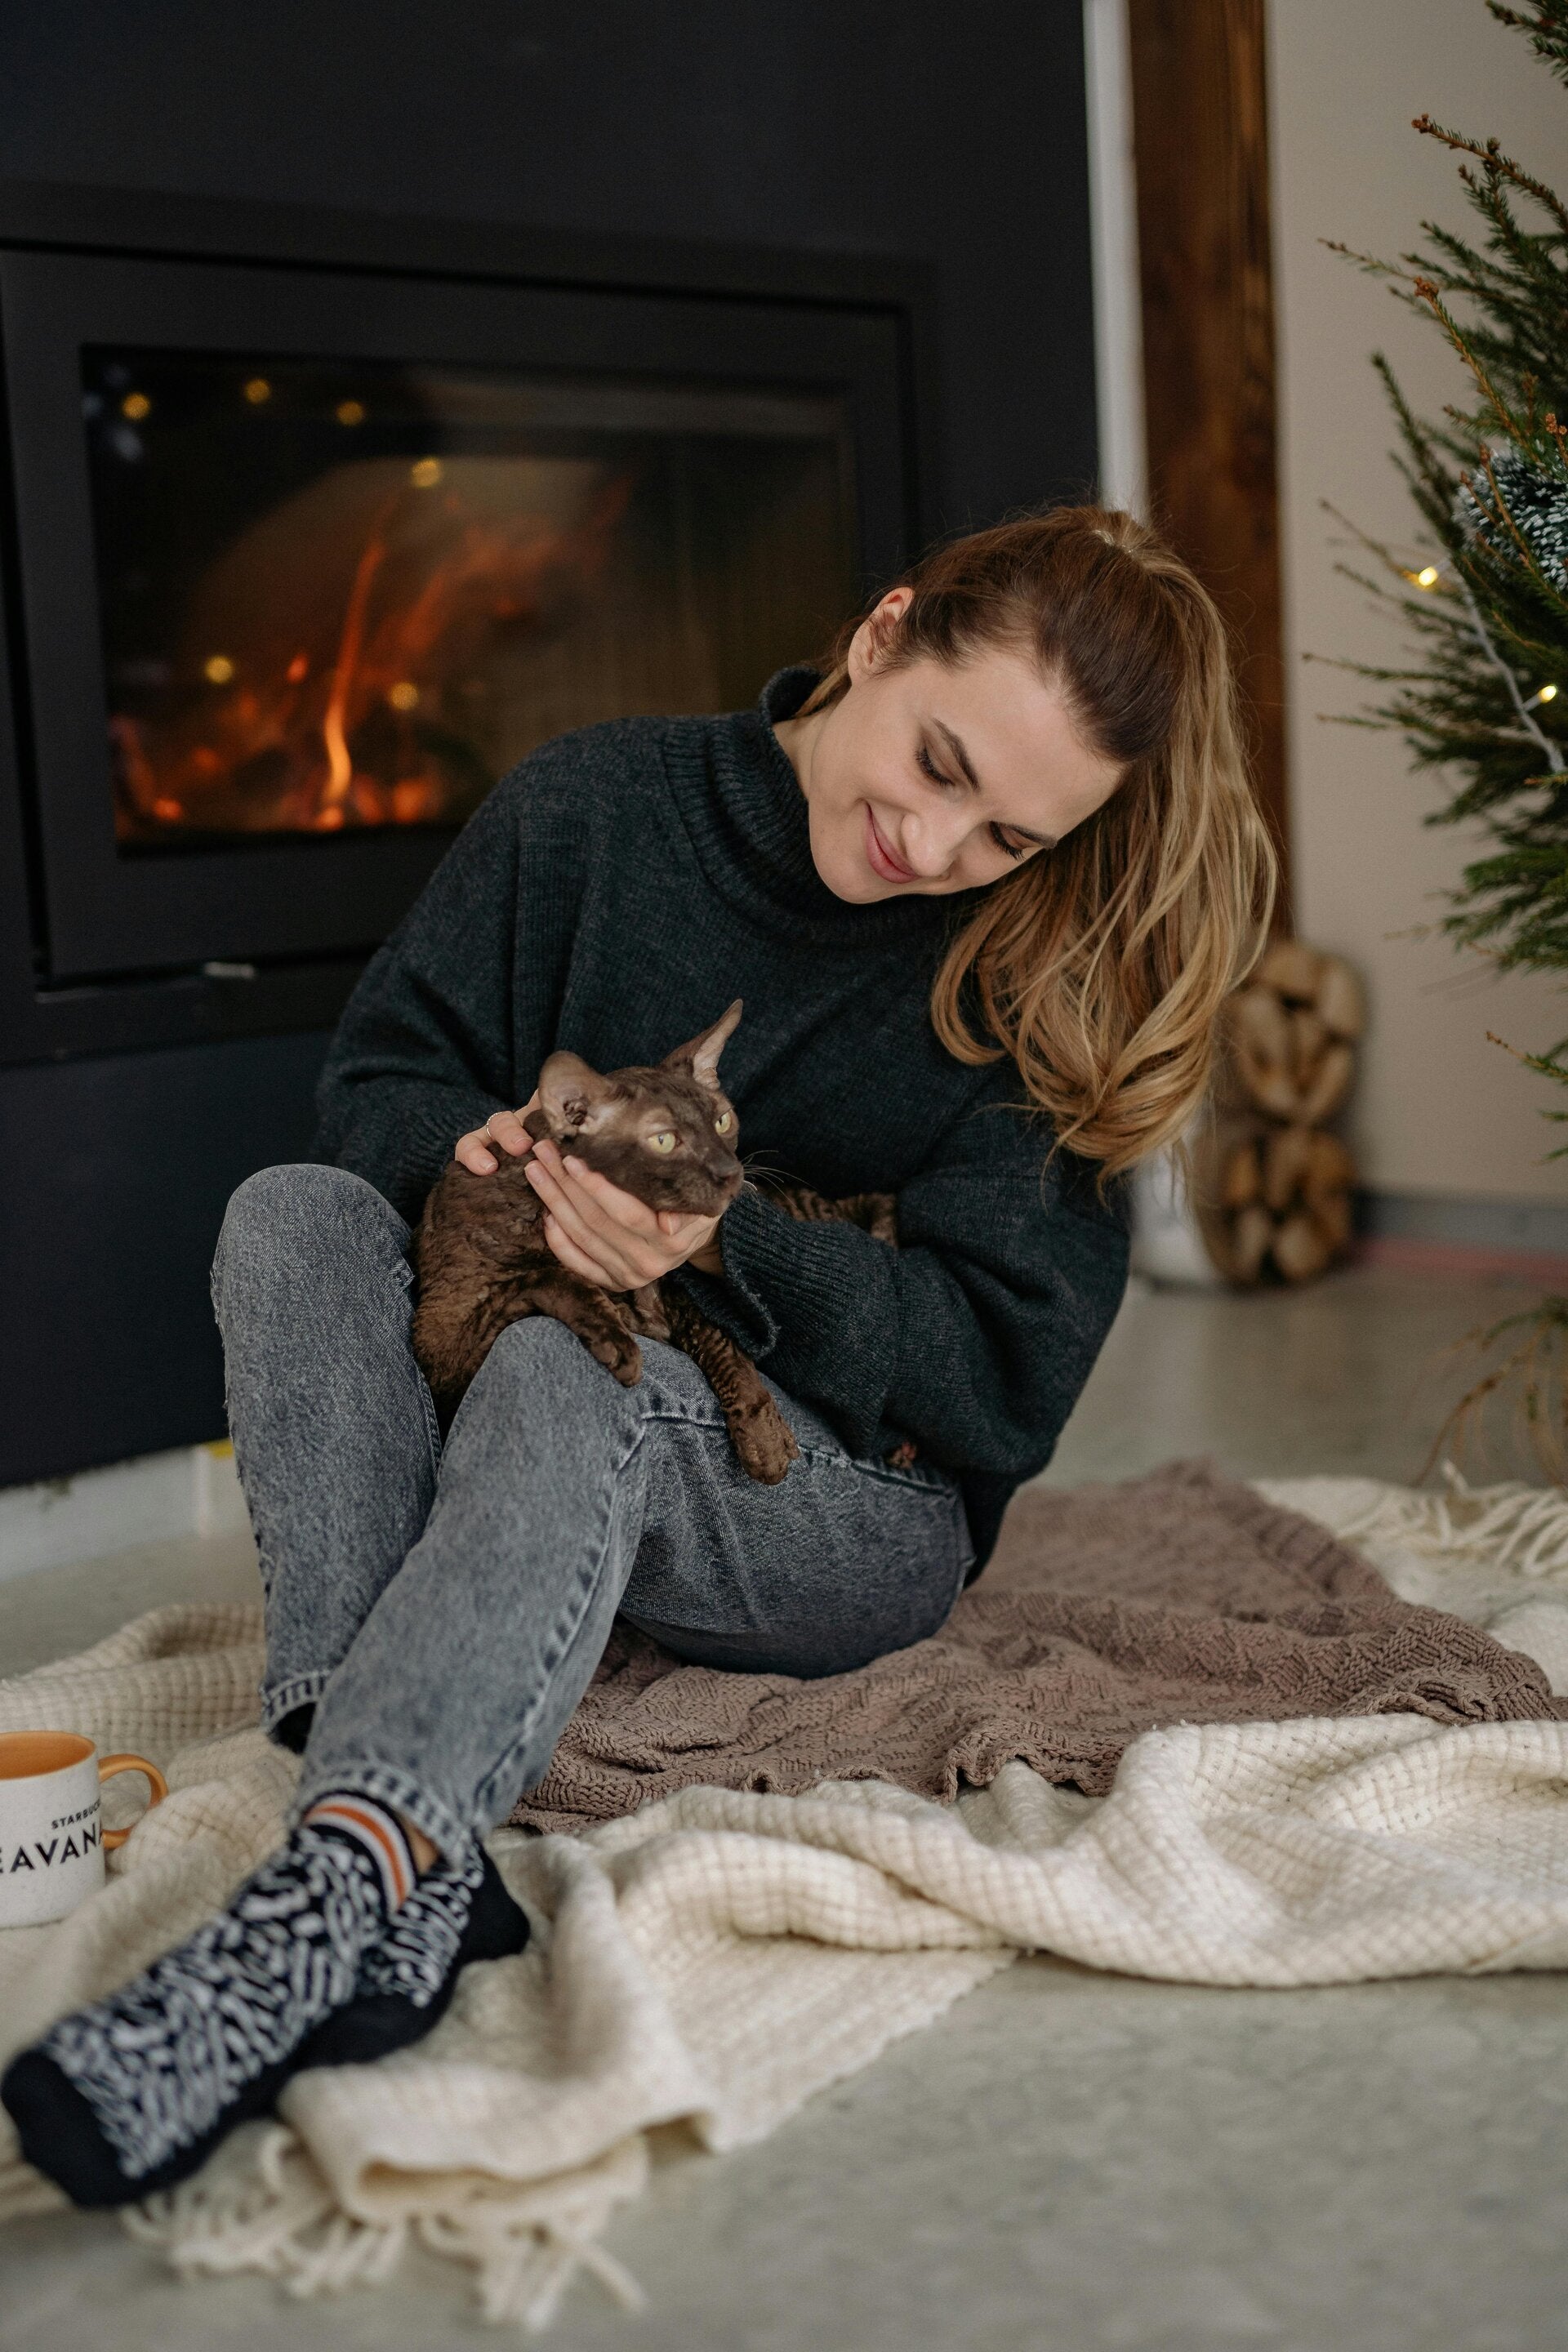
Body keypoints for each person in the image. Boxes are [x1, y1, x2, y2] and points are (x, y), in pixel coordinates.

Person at [3, 506, 1276, 2205]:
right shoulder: (595, 809)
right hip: (525, 1331)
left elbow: (1000, 1390)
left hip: (840, 1502)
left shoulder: (1042, 969)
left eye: (1007, 833)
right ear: (882, 635)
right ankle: (400, 1858)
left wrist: (724, 1240)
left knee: (568, 1372)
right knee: (291, 1215)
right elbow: (380, 1083)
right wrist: (477, 1153)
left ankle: (334, 1890)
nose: (935, 844)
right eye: (938, 763)